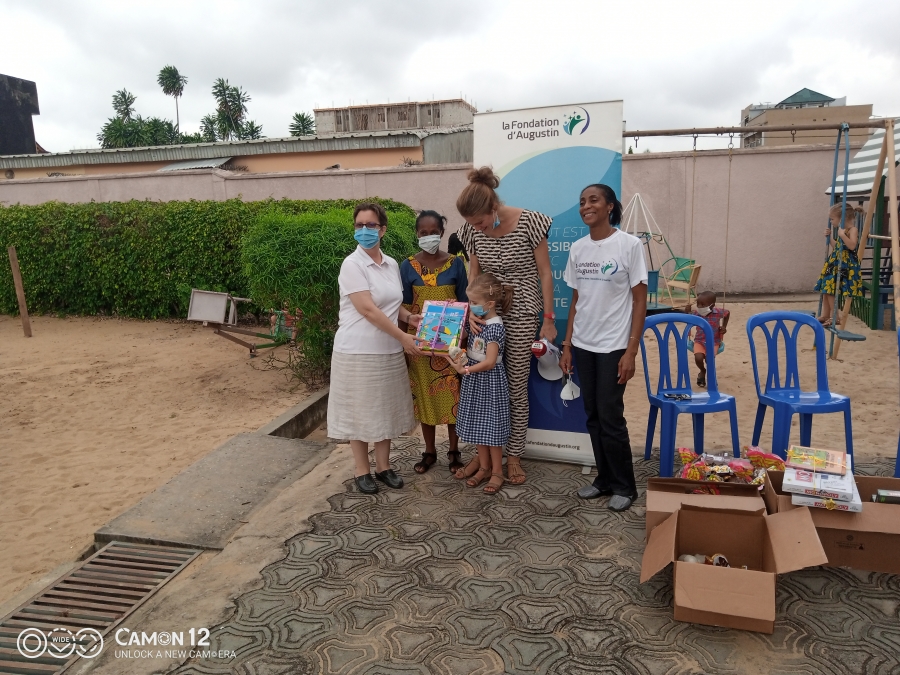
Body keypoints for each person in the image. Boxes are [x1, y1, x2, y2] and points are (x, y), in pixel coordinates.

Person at [455, 167, 556, 486]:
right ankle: (484, 455)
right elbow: (473, 274)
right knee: (481, 385)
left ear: (493, 207)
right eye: (472, 224)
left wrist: (549, 319)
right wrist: (471, 311)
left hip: (524, 308)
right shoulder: (472, 230)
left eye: (481, 222)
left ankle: (513, 455)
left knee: (514, 385)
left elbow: (545, 273)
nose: (478, 228)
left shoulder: (531, 222)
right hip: (485, 311)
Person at [559, 184, 647, 512]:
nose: (586, 206)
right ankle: (604, 480)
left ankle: (626, 486)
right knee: (593, 415)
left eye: (593, 200)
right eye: (582, 201)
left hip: (614, 346)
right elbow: (577, 300)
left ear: (609, 206)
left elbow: (640, 300)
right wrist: (567, 345)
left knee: (611, 416)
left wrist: (631, 350)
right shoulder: (579, 249)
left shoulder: (629, 245)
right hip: (583, 344)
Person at [327, 202, 424, 494]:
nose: (365, 230)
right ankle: (361, 470)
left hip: (387, 350)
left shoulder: (392, 263)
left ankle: (384, 467)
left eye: (371, 225)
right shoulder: (352, 264)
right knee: (360, 412)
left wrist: (410, 318)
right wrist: (403, 337)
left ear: (383, 230)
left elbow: (391, 304)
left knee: (384, 410)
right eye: (360, 225)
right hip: (357, 350)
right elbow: (367, 309)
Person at [400, 210, 468, 475]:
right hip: (419, 344)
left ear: (442, 232)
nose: (428, 237)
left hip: (450, 345)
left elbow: (464, 302)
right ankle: (429, 451)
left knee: (453, 398)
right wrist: (404, 342)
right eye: (423, 233)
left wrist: (462, 337)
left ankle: (454, 451)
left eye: (433, 232)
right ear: (417, 234)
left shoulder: (456, 264)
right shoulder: (406, 265)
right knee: (424, 400)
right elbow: (403, 306)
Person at [443, 273, 512, 495]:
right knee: (479, 427)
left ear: (489, 304)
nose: (470, 307)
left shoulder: (495, 327)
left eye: (473, 302)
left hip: (488, 382)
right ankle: (483, 467)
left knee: (492, 430)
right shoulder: (478, 321)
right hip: (475, 380)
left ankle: (497, 471)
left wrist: (466, 370)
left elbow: (490, 361)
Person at [815, 203, 863, 327]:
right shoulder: (842, 231)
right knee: (826, 284)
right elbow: (837, 246)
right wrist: (830, 237)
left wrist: (842, 235)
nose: (831, 222)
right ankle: (826, 314)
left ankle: (835, 316)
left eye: (832, 219)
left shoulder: (852, 230)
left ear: (841, 218)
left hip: (845, 264)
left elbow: (852, 246)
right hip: (835, 262)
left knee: (831, 286)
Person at [691, 290, 729, 388]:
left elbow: (727, 313)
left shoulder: (718, 312)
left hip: (714, 342)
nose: (699, 306)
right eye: (698, 303)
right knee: (698, 358)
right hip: (699, 340)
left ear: (712, 306)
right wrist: (686, 311)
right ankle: (702, 371)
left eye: (702, 304)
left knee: (709, 359)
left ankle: (711, 378)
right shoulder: (696, 313)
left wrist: (724, 327)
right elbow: (686, 318)